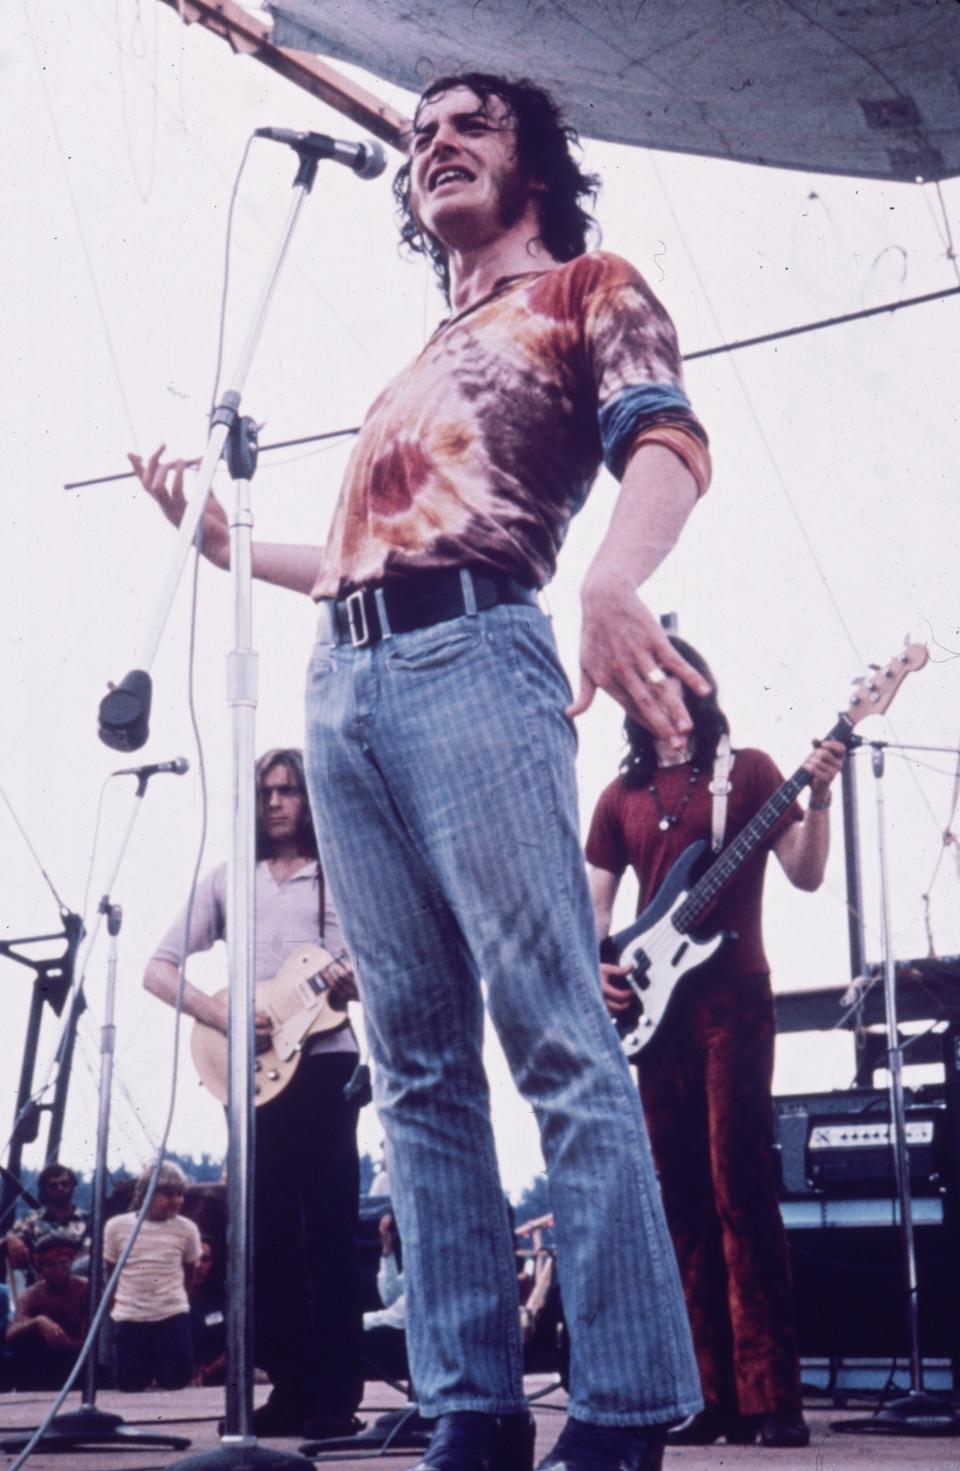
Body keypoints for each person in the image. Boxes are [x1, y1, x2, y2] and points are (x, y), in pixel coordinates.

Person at [131, 72, 715, 1471]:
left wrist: (617, 582)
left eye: (471, 121)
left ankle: (624, 1409)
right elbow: (349, 558)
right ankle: (473, 1406)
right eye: (419, 131)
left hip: (475, 655)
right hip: (348, 678)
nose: (434, 139)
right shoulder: (424, 351)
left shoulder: (587, 287)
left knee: (556, 1031)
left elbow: (670, 441)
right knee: (415, 1063)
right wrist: (228, 546)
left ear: (536, 163)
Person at [585, 636, 845, 1450]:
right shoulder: (618, 796)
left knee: (742, 1184)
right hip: (653, 1014)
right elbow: (592, 915)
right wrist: (599, 972)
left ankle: (775, 1397)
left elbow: (803, 872)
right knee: (682, 1199)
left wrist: (825, 797)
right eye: (642, 681)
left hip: (734, 1000)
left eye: (669, 675)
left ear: (697, 685)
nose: (657, 691)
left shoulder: (754, 773)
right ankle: (706, 1392)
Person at [142, 747, 364, 1439]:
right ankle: (289, 1388)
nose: (275, 802)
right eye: (265, 790)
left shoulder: (344, 877)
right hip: (255, 1074)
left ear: (309, 799)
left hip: (327, 1064)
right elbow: (158, 968)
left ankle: (337, 1397)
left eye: (289, 790)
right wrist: (225, 1015)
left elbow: (382, 961)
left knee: (329, 1230)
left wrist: (361, 980)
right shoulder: (229, 881)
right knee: (261, 1234)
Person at [103, 1160, 201, 1391]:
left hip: (172, 1314)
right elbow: (111, 1274)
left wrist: (175, 1301)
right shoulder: (115, 1227)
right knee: (129, 1384)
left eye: (180, 1194)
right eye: (168, 1194)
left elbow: (190, 1272)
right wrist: (120, 1307)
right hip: (130, 1317)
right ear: (146, 1193)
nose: (177, 1201)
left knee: (177, 1380)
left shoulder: (187, 1229)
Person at [5, 1233, 88, 1390]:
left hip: (80, 1358)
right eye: (51, 1266)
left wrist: (67, 1342)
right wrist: (37, 1321)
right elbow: (11, 1333)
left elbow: (91, 1339)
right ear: (41, 1270)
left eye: (63, 1264)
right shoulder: (33, 1294)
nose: (58, 1271)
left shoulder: (85, 1289)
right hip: (45, 1362)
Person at [3, 1164, 90, 1283]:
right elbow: (5, 1240)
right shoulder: (31, 1220)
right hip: (42, 1288)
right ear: (44, 1190)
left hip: (81, 1290)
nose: (60, 1188)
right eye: (53, 1186)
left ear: (72, 1186)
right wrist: (11, 1239)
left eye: (64, 1184)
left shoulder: (90, 1220)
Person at [188, 1235, 226, 1387]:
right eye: (193, 1258)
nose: (198, 1265)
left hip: (216, 1380)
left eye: (205, 1259)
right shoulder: (166, 1300)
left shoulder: (225, 1301)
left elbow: (235, 1347)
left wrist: (207, 1371)